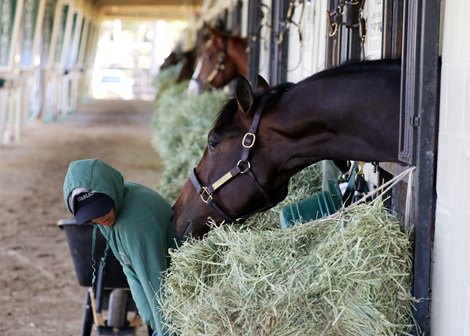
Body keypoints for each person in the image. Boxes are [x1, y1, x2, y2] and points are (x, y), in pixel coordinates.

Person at [63, 158, 176, 336]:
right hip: (168, 300)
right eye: (92, 215)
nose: (100, 219)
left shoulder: (135, 223)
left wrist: (165, 331)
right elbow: (130, 267)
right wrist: (149, 318)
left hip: (179, 298)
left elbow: (156, 283)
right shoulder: (115, 209)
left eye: (101, 208)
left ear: (111, 192)